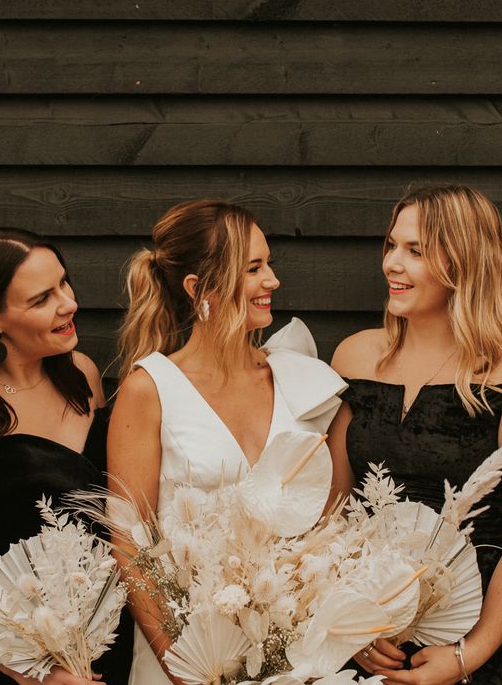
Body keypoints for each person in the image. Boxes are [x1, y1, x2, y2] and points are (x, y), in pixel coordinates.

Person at [328, 185, 502, 685]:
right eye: (391, 246)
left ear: (464, 262)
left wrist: (468, 654)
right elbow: (334, 512)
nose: (392, 263)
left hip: (481, 640)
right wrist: (350, 626)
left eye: (415, 251)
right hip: (367, 641)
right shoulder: (354, 356)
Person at [108, 199, 347, 684]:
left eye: (269, 264)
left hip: (296, 659)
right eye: (253, 268)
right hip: (179, 658)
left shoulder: (302, 381)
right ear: (199, 288)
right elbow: (129, 545)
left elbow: (331, 528)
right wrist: (189, 667)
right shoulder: (149, 388)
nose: (272, 280)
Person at [0, 228, 131, 684]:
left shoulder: (83, 375)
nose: (68, 303)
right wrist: (31, 670)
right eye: (41, 299)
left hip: (102, 648)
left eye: (64, 283)